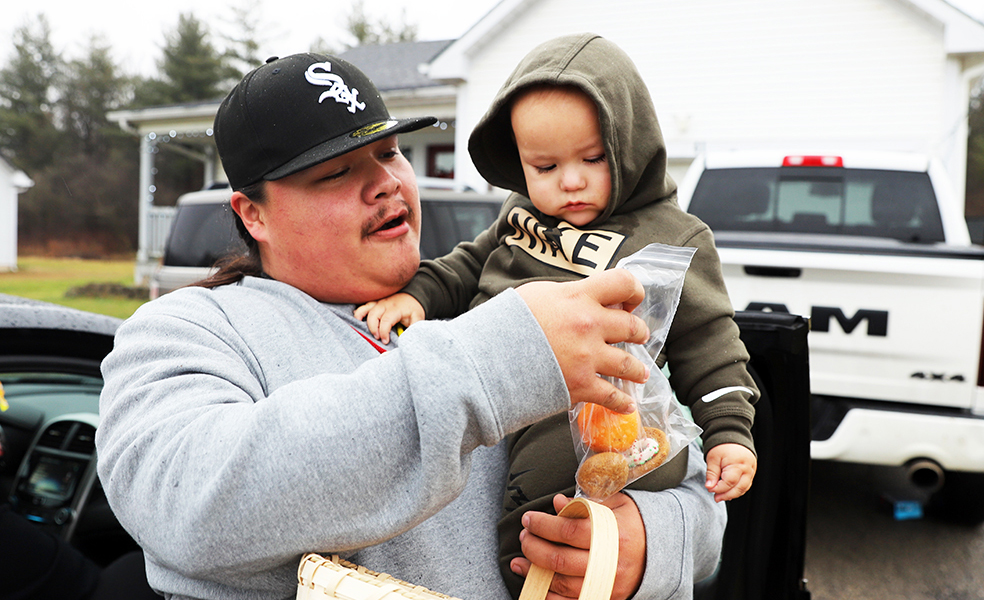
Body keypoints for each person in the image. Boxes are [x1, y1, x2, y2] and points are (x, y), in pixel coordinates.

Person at [94, 53, 727, 600]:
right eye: (337, 171)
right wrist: (504, 360)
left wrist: (644, 543)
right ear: (252, 213)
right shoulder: (188, 328)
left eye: (390, 152)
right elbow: (192, 505)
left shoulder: (485, 299)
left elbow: (698, 503)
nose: (386, 183)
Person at [354, 34, 759, 596]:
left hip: (600, 415)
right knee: (520, 528)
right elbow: (466, 266)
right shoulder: (521, 214)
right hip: (500, 392)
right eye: (544, 166)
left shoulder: (673, 237)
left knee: (548, 519)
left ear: (631, 144)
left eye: (593, 159)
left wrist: (729, 434)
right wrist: (418, 295)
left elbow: (711, 346)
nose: (569, 181)